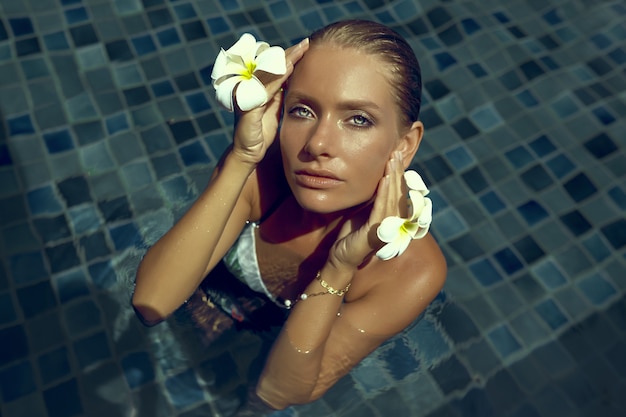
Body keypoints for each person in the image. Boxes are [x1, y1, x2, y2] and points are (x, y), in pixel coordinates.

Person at [132, 19, 447, 410]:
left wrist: (340, 266)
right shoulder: (259, 172)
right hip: (202, 308)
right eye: (302, 110)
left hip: (269, 355)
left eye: (358, 119)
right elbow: (152, 303)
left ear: (405, 144)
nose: (317, 143)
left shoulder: (411, 270)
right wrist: (241, 159)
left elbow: (275, 394)